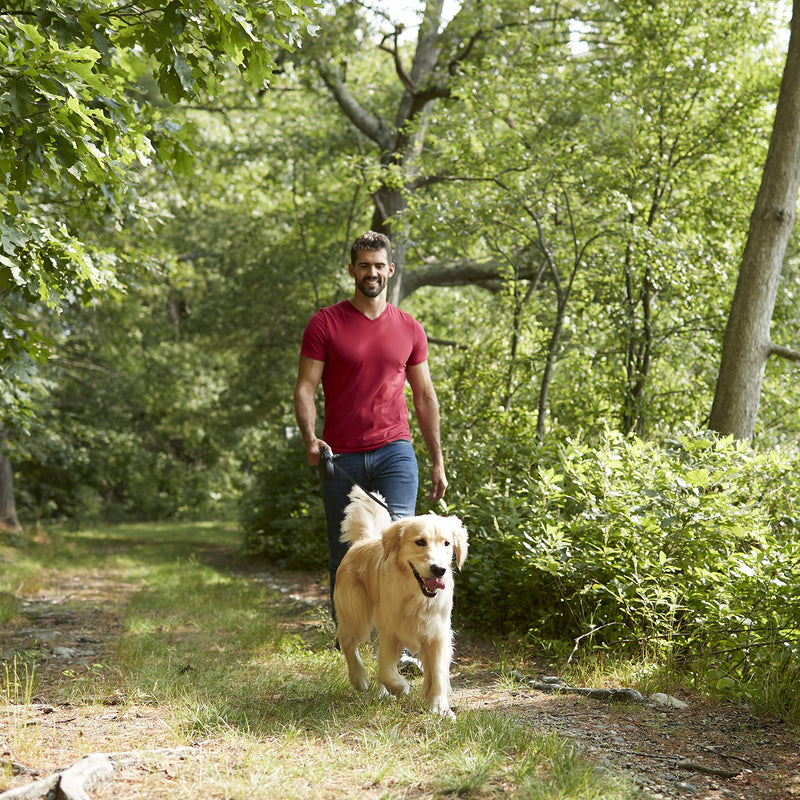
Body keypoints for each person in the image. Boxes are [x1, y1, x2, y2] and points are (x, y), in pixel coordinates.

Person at [294, 231, 448, 618]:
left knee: (404, 547)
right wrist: (311, 438)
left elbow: (425, 396)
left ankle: (403, 645)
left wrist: (437, 459)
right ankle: (350, 639)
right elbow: (305, 388)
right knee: (345, 552)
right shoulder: (325, 323)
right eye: (364, 265)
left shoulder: (409, 328)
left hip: (395, 450)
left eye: (379, 265)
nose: (372, 272)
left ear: (390, 270)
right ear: (352, 270)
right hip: (341, 456)